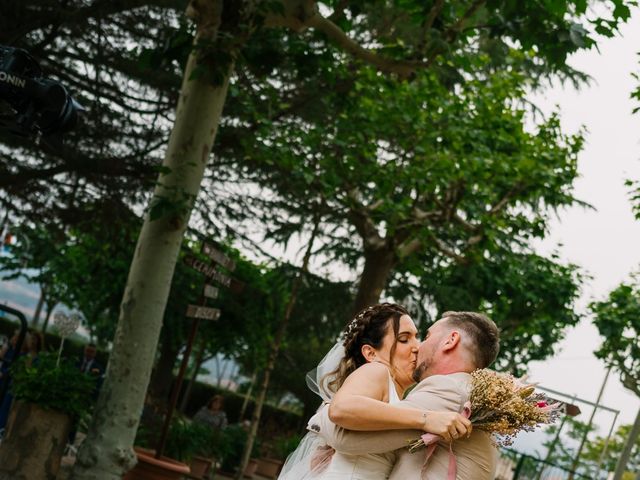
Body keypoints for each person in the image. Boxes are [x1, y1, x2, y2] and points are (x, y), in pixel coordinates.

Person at [279, 304, 471, 480]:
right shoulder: (377, 371)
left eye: (417, 337)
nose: (417, 347)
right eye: (404, 339)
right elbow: (341, 409)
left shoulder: (400, 395)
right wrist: (426, 419)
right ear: (371, 353)